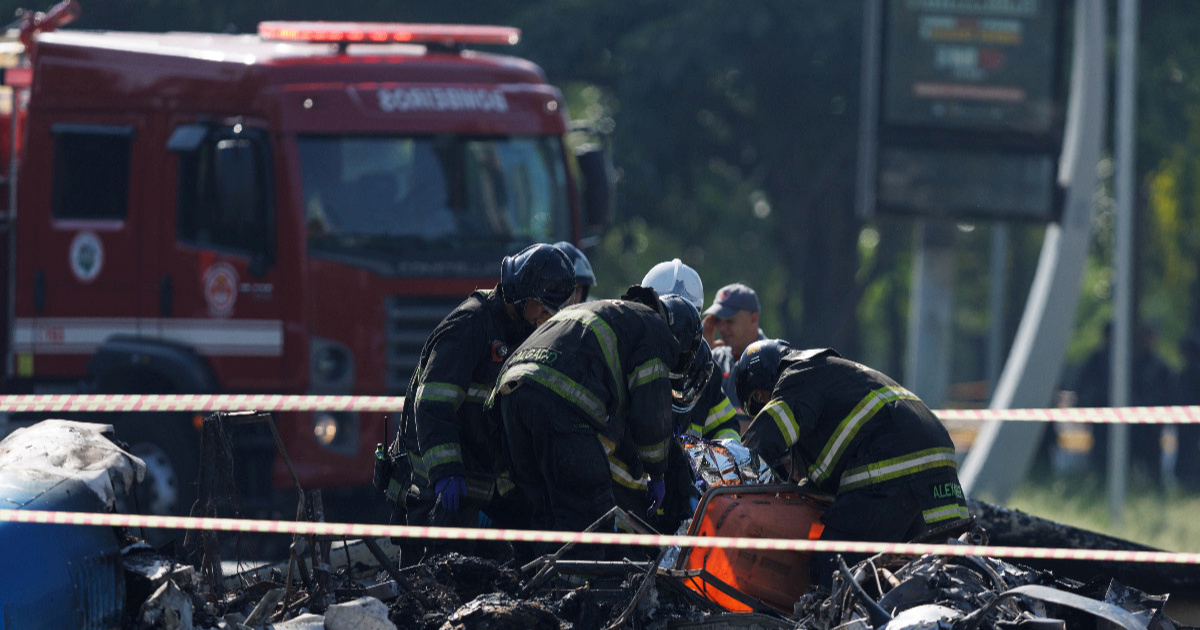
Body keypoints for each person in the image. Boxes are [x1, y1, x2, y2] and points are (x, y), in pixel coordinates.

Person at [387, 243, 575, 565]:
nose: (547, 319)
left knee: (521, 554)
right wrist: (446, 471)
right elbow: (432, 404)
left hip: (481, 478)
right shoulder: (469, 326)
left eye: (552, 313)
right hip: (431, 483)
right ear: (520, 294)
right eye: (543, 309)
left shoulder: (522, 331)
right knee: (435, 577)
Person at [734, 339, 970, 588]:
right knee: (929, 576)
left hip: (893, 464)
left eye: (758, 400)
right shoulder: (835, 374)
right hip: (939, 463)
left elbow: (760, 441)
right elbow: (830, 472)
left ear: (762, 388)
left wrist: (729, 471)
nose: (762, 404)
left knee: (833, 567)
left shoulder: (797, 376)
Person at [492, 287, 706, 558]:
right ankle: (581, 597)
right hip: (561, 407)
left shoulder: (602, 311)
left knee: (543, 512)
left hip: (508, 397)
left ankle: (538, 594)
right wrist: (658, 473)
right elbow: (651, 413)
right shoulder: (654, 329)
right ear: (680, 342)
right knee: (591, 517)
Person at [642, 260, 739, 442]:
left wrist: (726, 455)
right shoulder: (627, 359)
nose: (674, 330)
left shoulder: (706, 371)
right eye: (667, 316)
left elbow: (724, 426)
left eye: (684, 320)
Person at [1075, 322, 1174, 485]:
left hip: (1146, 418)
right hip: (1106, 413)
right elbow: (1084, 384)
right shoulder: (1104, 359)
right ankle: (1101, 482)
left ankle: (1147, 486)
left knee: (1147, 456)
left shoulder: (1150, 363)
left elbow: (1167, 392)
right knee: (1103, 452)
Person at [704, 283, 767, 431]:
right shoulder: (715, 358)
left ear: (753, 319)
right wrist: (702, 352)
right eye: (718, 320)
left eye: (729, 320)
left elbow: (771, 429)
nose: (721, 328)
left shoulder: (773, 362)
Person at [1173, 332, 1200, 491]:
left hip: (1191, 422)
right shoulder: (1188, 370)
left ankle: (1189, 482)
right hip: (1186, 420)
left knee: (1188, 453)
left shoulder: (1192, 371)